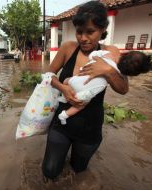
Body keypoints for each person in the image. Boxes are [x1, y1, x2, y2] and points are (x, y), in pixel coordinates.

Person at [42, 1, 129, 180]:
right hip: (62, 123)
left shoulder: (111, 53)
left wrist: (108, 70)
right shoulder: (68, 48)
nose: (83, 38)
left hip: (90, 129)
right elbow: (48, 76)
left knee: (78, 171)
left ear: (103, 28)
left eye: (90, 32)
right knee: (49, 171)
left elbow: (123, 89)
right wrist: (63, 88)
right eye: (79, 32)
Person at [58, 50, 151, 125]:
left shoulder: (108, 55)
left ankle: (62, 97)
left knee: (67, 80)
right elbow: (124, 89)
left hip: (75, 80)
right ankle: (64, 115)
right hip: (83, 94)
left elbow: (93, 55)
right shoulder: (119, 75)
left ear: (124, 53)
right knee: (81, 105)